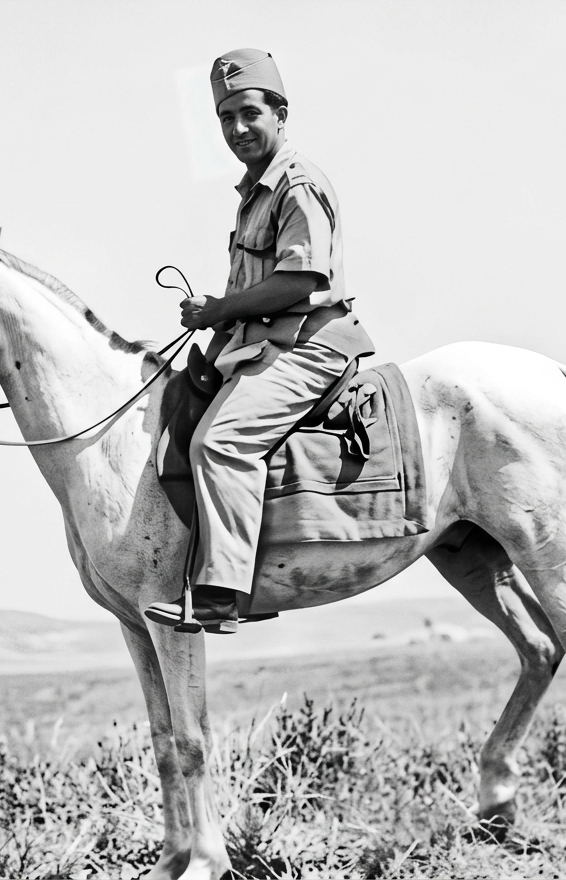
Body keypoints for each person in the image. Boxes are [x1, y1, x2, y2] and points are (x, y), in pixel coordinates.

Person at [145, 49, 375, 634]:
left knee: (220, 442)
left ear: (280, 114)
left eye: (250, 114)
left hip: (310, 345)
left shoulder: (297, 184)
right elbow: (253, 290)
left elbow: (301, 280)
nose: (238, 129)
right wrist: (215, 328)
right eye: (226, 118)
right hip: (265, 344)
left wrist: (219, 309)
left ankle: (221, 595)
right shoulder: (254, 192)